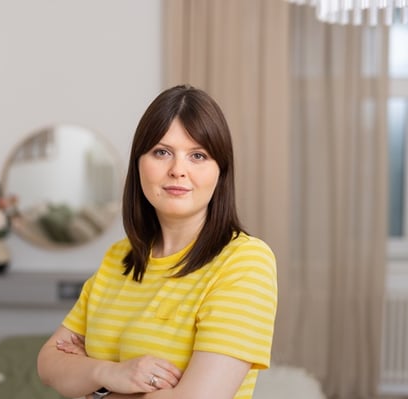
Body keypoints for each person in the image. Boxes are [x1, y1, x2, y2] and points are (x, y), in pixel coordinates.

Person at [37, 84, 277, 399]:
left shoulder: (245, 261)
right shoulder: (119, 257)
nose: (178, 170)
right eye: (162, 152)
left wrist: (92, 388)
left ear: (221, 172)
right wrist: (112, 373)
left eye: (198, 155)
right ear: (139, 164)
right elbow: (48, 363)